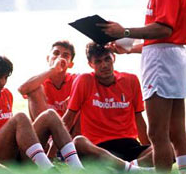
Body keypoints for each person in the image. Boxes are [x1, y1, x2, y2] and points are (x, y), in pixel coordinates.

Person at [99, 0, 186, 173]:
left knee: (157, 133)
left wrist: (125, 31)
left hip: (163, 63)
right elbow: (162, 37)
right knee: (176, 131)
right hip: (171, 58)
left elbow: (164, 29)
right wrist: (130, 47)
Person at [0, 53, 83, 170]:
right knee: (20, 117)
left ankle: (78, 168)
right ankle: (48, 169)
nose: (2, 82)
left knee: (50, 115)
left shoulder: (7, 94)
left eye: (5, 78)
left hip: (14, 151)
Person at [62, 42, 152, 172]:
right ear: (90, 64)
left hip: (129, 145)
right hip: (98, 148)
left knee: (167, 148)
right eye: (98, 61)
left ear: (113, 58)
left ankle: (125, 168)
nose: (104, 65)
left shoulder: (131, 80)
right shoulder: (84, 80)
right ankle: (132, 169)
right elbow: (69, 118)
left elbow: (139, 119)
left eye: (107, 59)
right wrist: (51, 154)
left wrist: (149, 147)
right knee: (78, 142)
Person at [18, 40, 78, 120]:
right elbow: (22, 89)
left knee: (83, 93)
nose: (60, 57)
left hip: (67, 127)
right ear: (48, 58)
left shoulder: (75, 79)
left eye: (65, 55)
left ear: (71, 64)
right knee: (35, 88)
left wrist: (75, 97)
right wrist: (53, 69)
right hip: (44, 127)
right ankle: (43, 132)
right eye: (56, 53)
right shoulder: (39, 80)